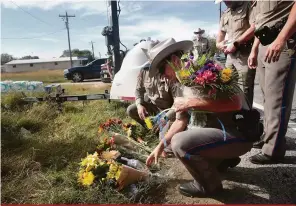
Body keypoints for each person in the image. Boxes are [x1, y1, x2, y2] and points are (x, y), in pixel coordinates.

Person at [145, 39, 258, 197]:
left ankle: (210, 187)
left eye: (162, 71)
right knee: (172, 144)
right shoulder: (180, 85)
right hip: (219, 133)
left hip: (239, 133)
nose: (163, 77)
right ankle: (222, 161)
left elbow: (235, 103)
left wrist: (190, 102)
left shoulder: (209, 69)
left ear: (174, 61)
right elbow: (180, 120)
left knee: (180, 143)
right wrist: (160, 146)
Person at [247, 0, 296, 164]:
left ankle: (273, 149)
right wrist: (254, 50)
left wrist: (282, 39)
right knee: (268, 98)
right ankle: (268, 137)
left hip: (281, 42)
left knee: (277, 99)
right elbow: (262, 23)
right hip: (263, 44)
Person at [126, 39, 187, 129]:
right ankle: (151, 128)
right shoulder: (144, 71)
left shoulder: (174, 73)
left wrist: (165, 118)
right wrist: (139, 105)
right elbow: (139, 90)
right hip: (153, 107)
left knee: (166, 134)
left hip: (168, 111)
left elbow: (178, 102)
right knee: (131, 110)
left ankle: (159, 129)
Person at [215, 0, 256, 107]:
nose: (225, 2)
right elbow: (219, 36)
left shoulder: (247, 5)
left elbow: (254, 27)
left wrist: (236, 43)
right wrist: (219, 44)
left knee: (245, 88)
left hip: (245, 55)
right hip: (229, 57)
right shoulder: (225, 14)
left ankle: (246, 116)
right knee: (226, 84)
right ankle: (232, 114)